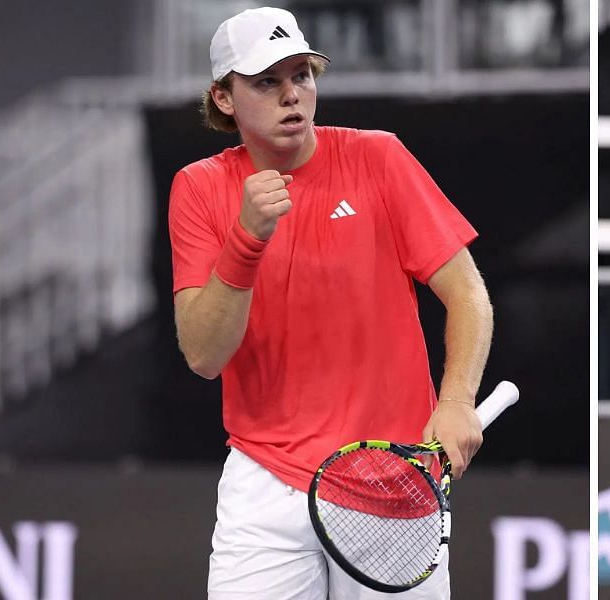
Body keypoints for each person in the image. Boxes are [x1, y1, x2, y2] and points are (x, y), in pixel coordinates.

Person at [169, 7, 493, 599]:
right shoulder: (199, 187)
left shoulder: (379, 157)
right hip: (264, 484)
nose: (292, 95)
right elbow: (203, 356)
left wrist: (456, 402)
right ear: (224, 97)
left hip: (390, 477)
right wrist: (246, 239)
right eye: (267, 82)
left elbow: (468, 294)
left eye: (303, 75)